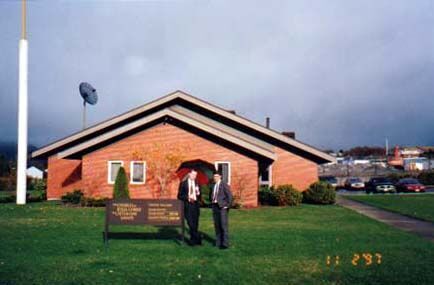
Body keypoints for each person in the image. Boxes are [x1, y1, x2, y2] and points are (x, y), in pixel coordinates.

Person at [177, 169, 202, 245]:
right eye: (193, 175)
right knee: (190, 223)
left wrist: (198, 193)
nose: (195, 176)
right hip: (188, 205)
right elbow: (179, 196)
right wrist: (187, 197)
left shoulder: (197, 183)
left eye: (196, 175)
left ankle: (193, 240)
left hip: (195, 205)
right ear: (189, 174)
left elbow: (199, 196)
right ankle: (198, 237)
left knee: (195, 223)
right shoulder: (183, 184)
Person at [209, 171, 233, 249]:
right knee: (217, 225)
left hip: (222, 207)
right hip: (215, 206)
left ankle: (225, 244)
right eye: (214, 176)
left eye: (216, 176)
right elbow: (211, 195)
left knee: (223, 225)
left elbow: (229, 196)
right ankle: (218, 243)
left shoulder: (224, 185)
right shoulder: (213, 185)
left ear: (220, 177)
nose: (215, 178)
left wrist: (227, 205)